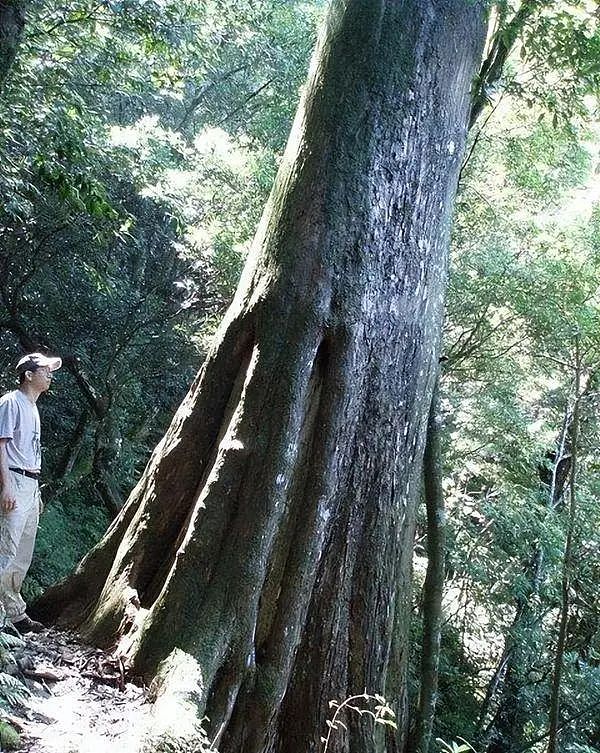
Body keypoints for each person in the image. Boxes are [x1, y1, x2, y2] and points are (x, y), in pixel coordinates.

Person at [0, 352, 62, 633]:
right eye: (45, 369)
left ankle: (14, 613)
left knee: (23, 552)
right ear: (28, 374)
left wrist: (34, 493)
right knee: (5, 547)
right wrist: (7, 485)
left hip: (31, 483)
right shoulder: (10, 402)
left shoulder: (33, 407)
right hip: (13, 479)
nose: (50, 374)